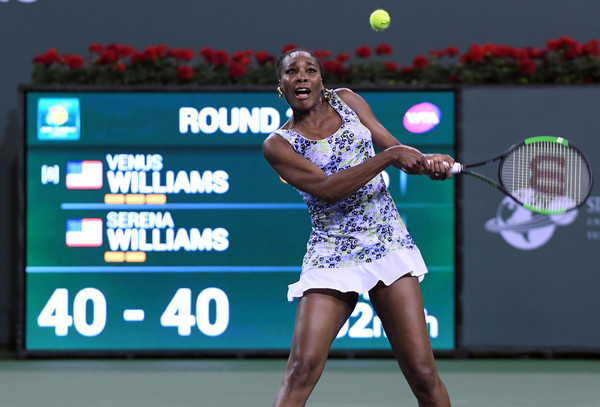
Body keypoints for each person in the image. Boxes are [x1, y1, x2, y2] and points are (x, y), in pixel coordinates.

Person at [262, 48, 453, 407]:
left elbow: (393, 146)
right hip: (331, 251)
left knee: (424, 375)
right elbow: (327, 190)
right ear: (281, 86)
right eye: (291, 72)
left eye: (310, 70)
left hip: (386, 241)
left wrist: (427, 162)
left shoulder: (348, 101)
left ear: (321, 80)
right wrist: (390, 157)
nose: (301, 76)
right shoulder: (278, 144)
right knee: (301, 370)